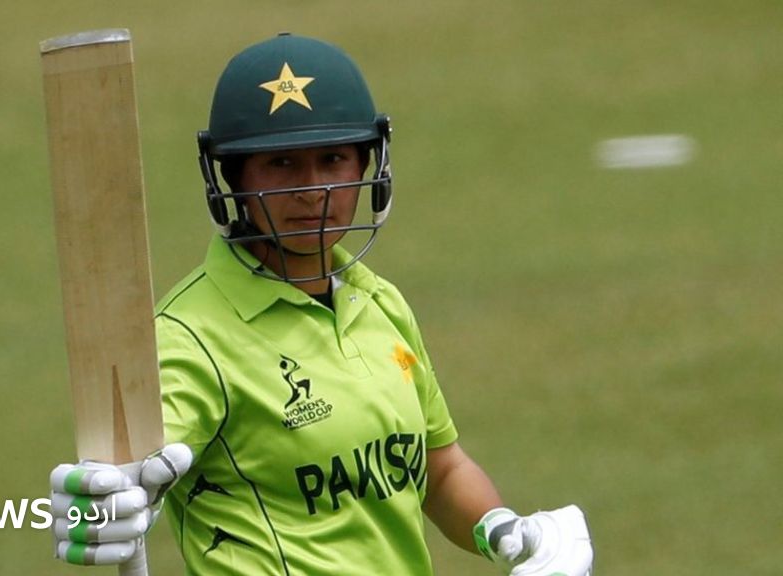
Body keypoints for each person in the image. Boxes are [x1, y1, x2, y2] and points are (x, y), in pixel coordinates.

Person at [49, 33, 594, 575]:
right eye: (281, 163)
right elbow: (127, 470)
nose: (311, 189)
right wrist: (97, 503)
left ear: (367, 164)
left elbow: (440, 468)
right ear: (233, 178)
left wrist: (504, 531)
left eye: (332, 159)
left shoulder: (379, 302)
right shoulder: (189, 336)